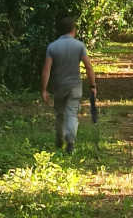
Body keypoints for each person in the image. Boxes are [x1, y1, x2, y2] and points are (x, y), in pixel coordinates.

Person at [41, 16, 97, 154]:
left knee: (60, 113)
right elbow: (88, 67)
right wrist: (93, 86)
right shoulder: (79, 46)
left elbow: (46, 70)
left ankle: (59, 138)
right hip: (75, 86)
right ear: (74, 30)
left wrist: (44, 89)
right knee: (71, 113)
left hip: (58, 85)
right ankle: (70, 141)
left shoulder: (52, 47)